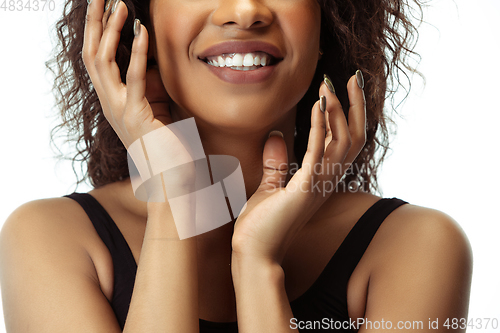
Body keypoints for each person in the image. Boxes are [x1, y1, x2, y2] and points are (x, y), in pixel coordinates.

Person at [0, 0, 472, 331]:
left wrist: (258, 268)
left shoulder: (416, 246)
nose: (245, 10)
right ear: (140, 20)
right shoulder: (48, 239)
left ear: (326, 23)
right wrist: (170, 202)